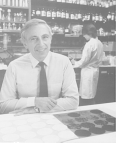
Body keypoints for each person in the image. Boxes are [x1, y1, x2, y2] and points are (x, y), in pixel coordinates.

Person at [0, 19, 79, 115]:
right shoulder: (14, 66)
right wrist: (34, 101)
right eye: (34, 38)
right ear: (25, 43)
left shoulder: (64, 62)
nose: (41, 44)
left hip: (56, 119)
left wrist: (35, 109)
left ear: (50, 39)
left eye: (45, 37)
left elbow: (73, 101)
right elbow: (3, 106)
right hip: (24, 121)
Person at [73, 23, 103, 106]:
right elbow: (101, 57)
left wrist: (74, 63)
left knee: (86, 96)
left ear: (89, 33)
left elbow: (84, 61)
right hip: (95, 70)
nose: (83, 36)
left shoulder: (89, 44)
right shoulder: (99, 42)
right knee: (92, 94)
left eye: (84, 34)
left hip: (88, 71)